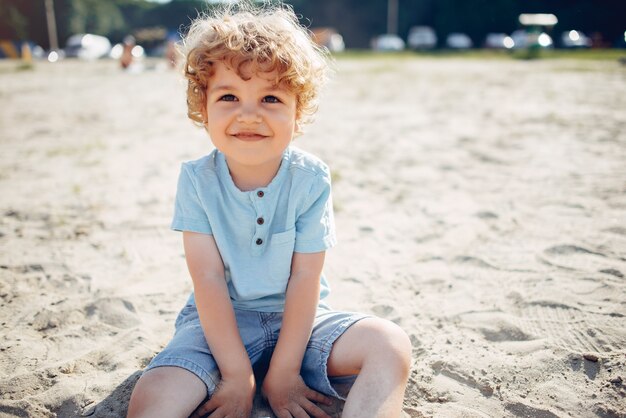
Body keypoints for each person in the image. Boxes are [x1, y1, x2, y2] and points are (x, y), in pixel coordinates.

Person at [127, 3, 411, 418]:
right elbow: (206, 278)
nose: (249, 113)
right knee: (154, 394)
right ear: (202, 108)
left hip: (299, 323)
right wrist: (237, 375)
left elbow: (305, 276)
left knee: (389, 344)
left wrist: (284, 371)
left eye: (271, 97)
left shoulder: (310, 178)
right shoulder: (196, 180)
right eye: (228, 96)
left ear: (299, 113)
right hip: (217, 326)